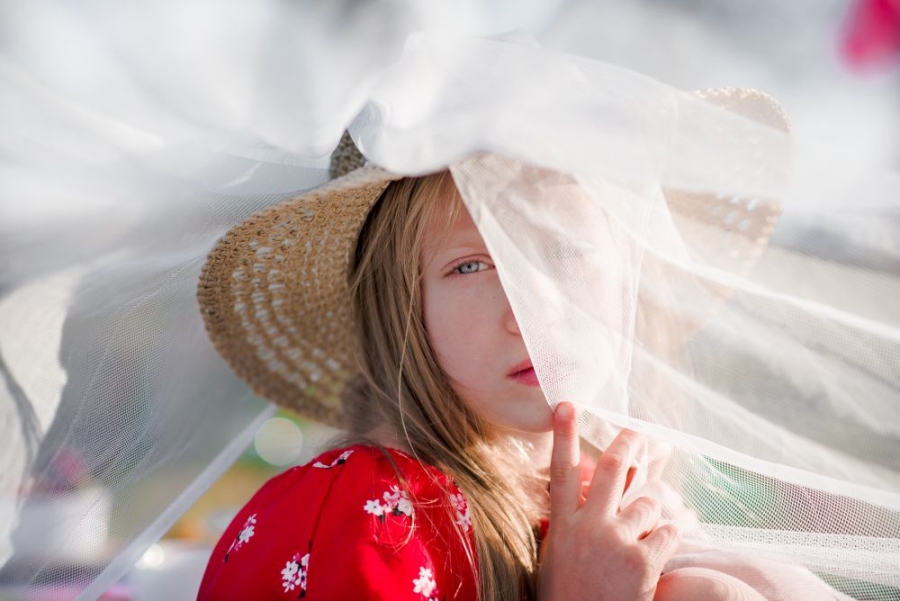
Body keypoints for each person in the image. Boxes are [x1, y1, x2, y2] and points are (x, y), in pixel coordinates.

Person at [194, 100, 850, 598]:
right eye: (471, 266)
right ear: (403, 308)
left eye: (563, 251)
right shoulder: (367, 516)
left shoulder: (596, 505)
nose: (529, 311)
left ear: (628, 278)